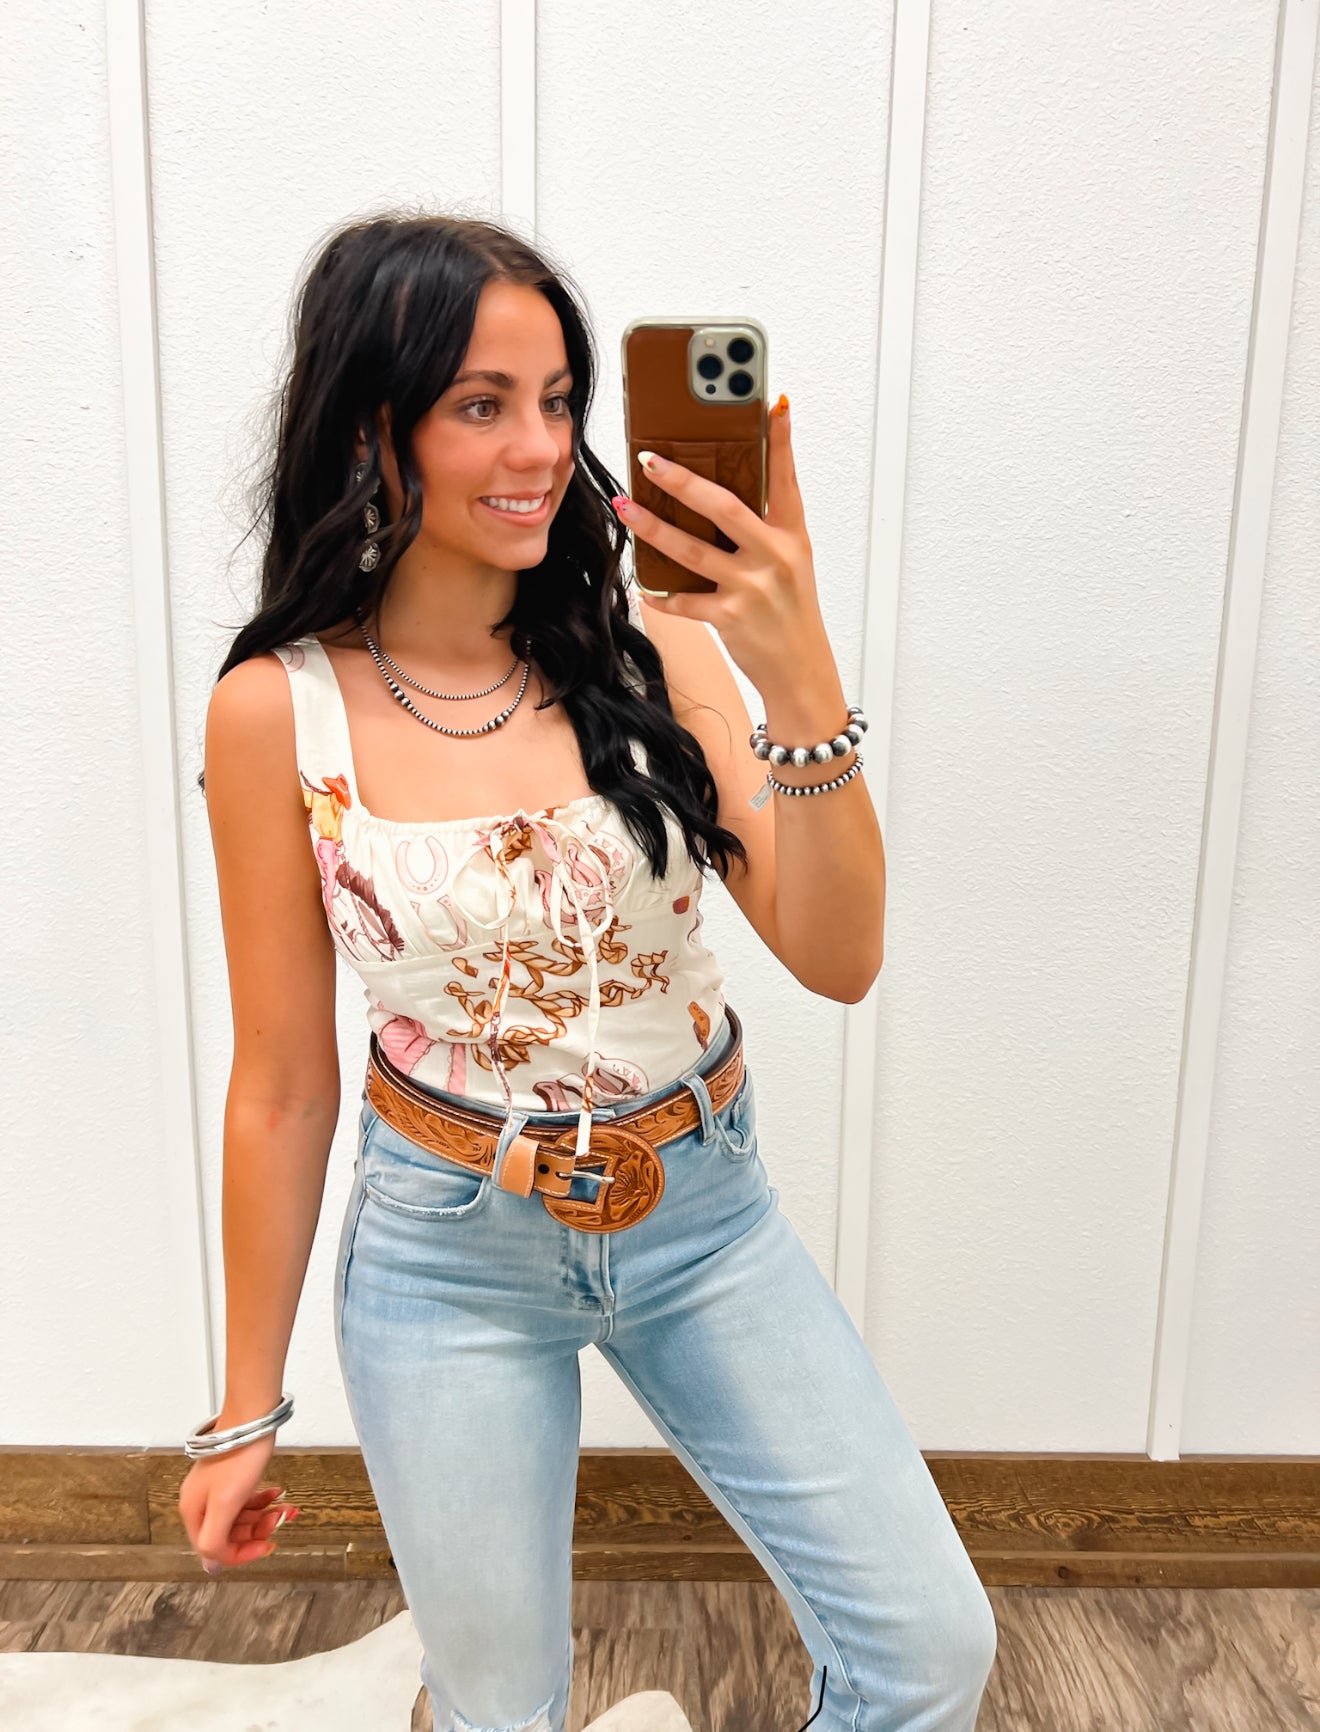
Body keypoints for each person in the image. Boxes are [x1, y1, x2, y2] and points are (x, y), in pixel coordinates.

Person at [176, 212, 997, 1732]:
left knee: (930, 1652)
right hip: (447, 1251)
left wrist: (797, 669)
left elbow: (840, 957)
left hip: (706, 1216)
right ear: (372, 428)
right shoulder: (276, 713)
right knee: (501, 1712)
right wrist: (245, 1408)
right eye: (481, 404)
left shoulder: (653, 658)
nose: (541, 447)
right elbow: (282, 1085)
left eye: (559, 401)